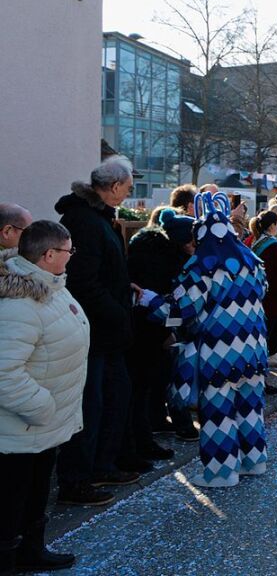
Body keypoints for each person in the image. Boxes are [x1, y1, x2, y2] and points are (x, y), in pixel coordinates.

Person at [142, 192, 269, 488]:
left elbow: (183, 309)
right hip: (253, 350)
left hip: (218, 352)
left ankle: (221, 473)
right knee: (251, 408)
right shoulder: (252, 262)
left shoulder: (202, 266)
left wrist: (149, 301)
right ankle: (254, 460)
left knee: (218, 413)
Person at [0, 221, 88, 572]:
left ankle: (30, 550)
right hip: (21, 428)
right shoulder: (19, 304)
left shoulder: (50, 285)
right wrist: (42, 407)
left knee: (35, 494)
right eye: (68, 251)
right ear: (49, 255)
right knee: (11, 500)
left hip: (42, 427)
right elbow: (4, 372)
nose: (71, 257)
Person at [54, 156, 137, 506]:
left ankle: (101, 465)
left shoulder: (97, 218)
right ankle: (77, 479)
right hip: (94, 331)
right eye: (128, 189)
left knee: (113, 399)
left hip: (105, 331)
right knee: (90, 406)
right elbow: (84, 281)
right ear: (115, 186)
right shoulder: (86, 221)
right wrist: (117, 311)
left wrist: (124, 287)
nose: (128, 195)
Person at [124, 208, 195, 463]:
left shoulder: (159, 253)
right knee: (140, 389)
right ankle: (138, 444)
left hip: (147, 330)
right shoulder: (163, 260)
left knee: (147, 386)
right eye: (191, 240)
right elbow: (160, 301)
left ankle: (145, 436)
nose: (194, 246)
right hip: (144, 332)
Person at [250, 211, 277, 375]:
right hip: (271, 291)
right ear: (272, 225)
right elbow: (274, 271)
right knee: (272, 324)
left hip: (261, 288)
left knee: (271, 324)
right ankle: (272, 352)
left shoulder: (257, 241)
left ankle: (274, 351)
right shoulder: (272, 244)